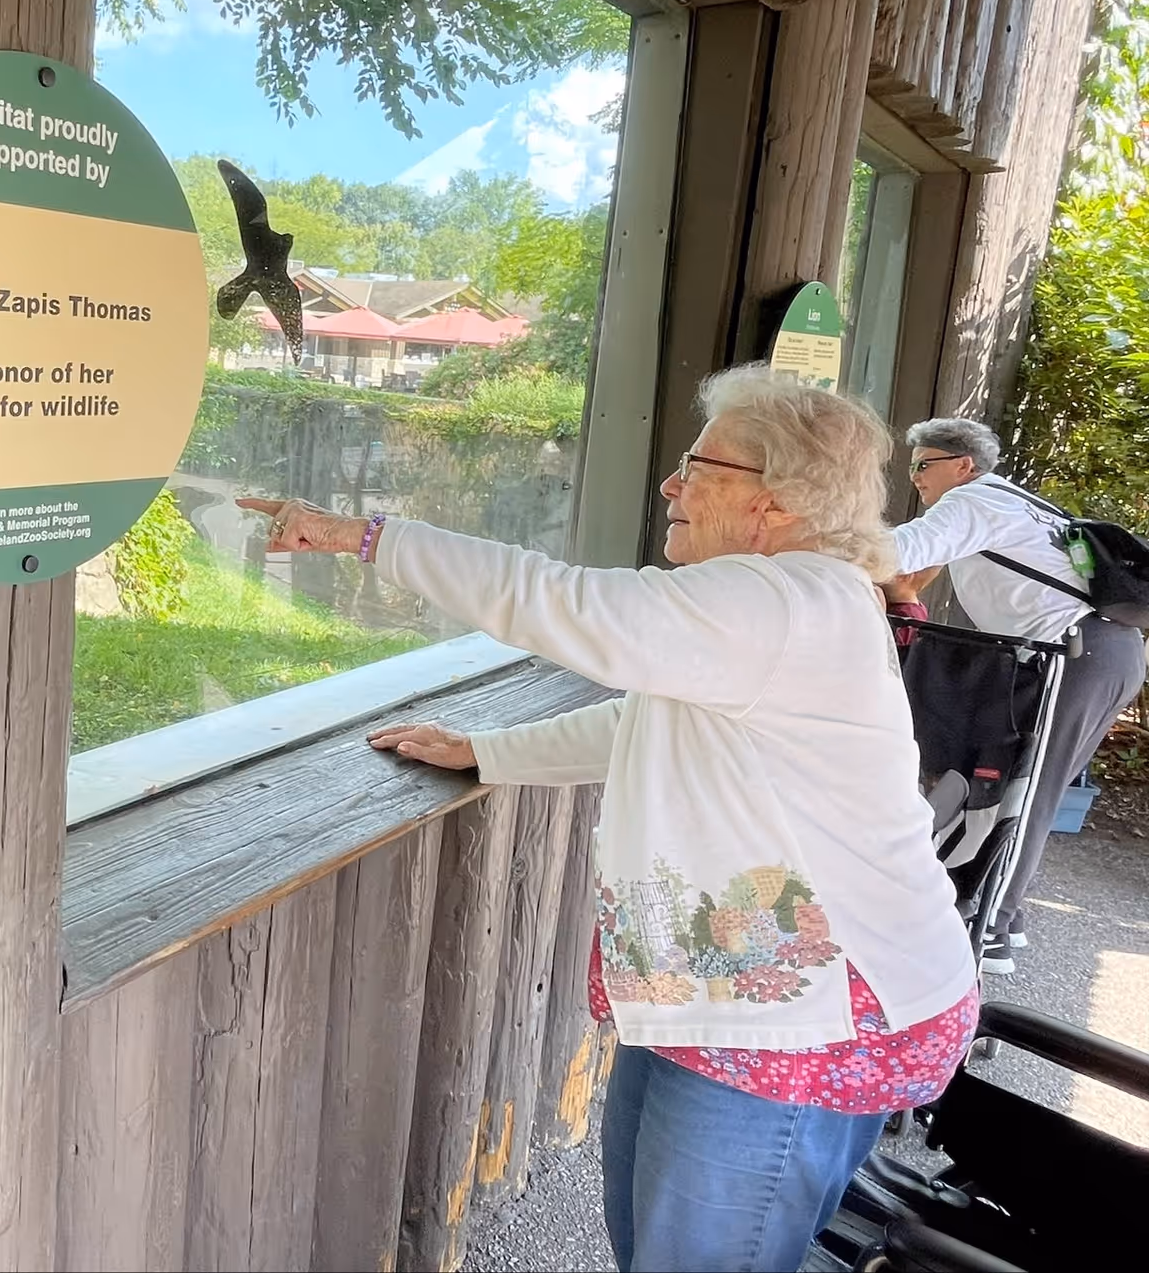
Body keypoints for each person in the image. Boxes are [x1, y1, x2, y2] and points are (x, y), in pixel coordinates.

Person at [240, 365, 977, 1273]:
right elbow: (649, 724)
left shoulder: (785, 601)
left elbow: (561, 601)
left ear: (778, 502)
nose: (671, 484)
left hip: (813, 1020)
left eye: (700, 465)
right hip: (726, 999)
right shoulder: (778, 605)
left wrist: (367, 536)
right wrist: (491, 750)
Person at [886, 418, 1146, 973]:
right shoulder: (1019, 504)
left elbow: (896, 554)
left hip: (1079, 653)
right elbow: (911, 581)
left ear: (962, 466)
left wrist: (813, 545)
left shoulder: (973, 500)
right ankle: (1000, 917)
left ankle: (993, 926)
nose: (916, 480)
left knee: (1030, 789)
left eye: (922, 465)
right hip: (1107, 650)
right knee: (1023, 781)